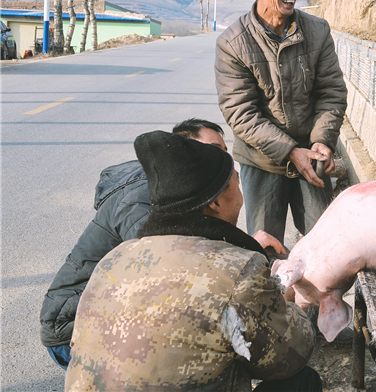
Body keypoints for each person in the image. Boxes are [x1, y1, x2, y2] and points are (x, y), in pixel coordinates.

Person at [66, 131, 320, 391]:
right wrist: (284, 300)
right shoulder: (237, 270)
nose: (242, 198)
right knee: (303, 381)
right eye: (236, 185)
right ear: (216, 203)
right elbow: (290, 356)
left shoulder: (114, 258)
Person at [40, 118, 228, 370]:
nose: (224, 160)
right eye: (215, 150)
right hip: (73, 327)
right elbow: (166, 275)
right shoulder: (143, 200)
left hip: (109, 308)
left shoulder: (174, 189)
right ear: (181, 151)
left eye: (225, 152)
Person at [215, 0, 347, 244]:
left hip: (311, 156)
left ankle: (310, 292)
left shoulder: (316, 30)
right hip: (261, 161)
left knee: (323, 243)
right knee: (264, 246)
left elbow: (331, 92)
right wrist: (290, 151)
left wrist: (323, 141)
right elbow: (241, 113)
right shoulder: (233, 43)